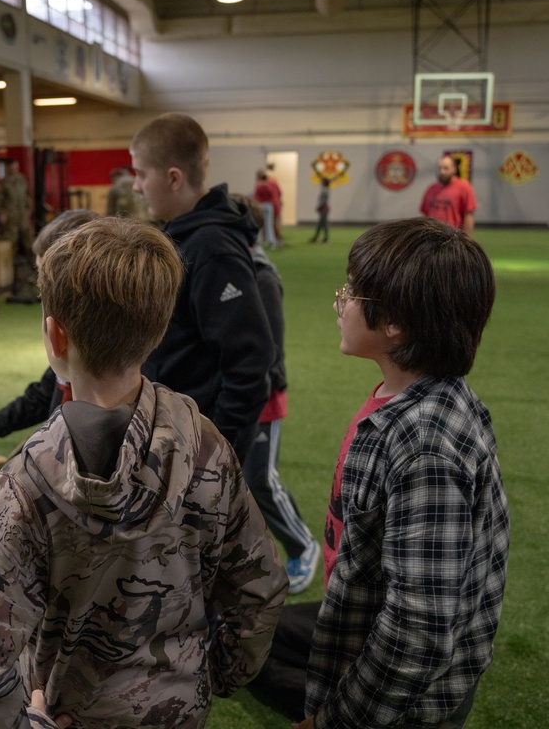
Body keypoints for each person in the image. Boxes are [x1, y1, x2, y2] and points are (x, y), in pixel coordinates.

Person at [0, 217, 288, 729]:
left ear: (54, 335)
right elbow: (260, 590)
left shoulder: (22, 484)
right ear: (159, 328)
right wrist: (207, 678)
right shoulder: (206, 445)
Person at [295, 217, 510, 729]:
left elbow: (418, 631)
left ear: (393, 322)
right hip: (359, 620)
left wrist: (336, 721)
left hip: (406, 702)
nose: (339, 302)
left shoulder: (425, 448)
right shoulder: (416, 398)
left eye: (351, 291)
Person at [131, 112, 275, 464]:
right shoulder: (185, 237)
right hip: (171, 435)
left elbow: (250, 363)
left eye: (140, 174)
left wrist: (215, 452)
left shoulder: (212, 247)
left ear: (174, 178)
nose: (136, 186)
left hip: (196, 451)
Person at [0, 209, 99, 474]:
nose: (41, 293)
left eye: (46, 282)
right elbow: (45, 393)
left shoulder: (102, 385)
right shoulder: (70, 362)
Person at [231, 193, 320, 595]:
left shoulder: (261, 276)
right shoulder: (229, 272)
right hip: (235, 396)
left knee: (260, 479)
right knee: (237, 484)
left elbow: (270, 349)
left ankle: (303, 545)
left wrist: (265, 388)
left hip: (264, 399)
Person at [0, 158, 36, 298]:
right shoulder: (3, 183)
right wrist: (1, 213)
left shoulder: (22, 180)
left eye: (16, 166)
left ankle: (34, 273)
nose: (14, 169)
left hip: (22, 218)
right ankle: (11, 280)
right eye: (12, 167)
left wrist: (29, 209)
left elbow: (28, 195)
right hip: (11, 220)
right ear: (8, 168)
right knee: (11, 248)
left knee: (30, 245)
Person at [420, 154, 477, 235]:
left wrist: (467, 237)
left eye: (446, 168)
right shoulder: (431, 189)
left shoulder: (464, 187)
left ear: (454, 169)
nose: (442, 172)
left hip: (453, 237)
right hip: (432, 237)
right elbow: (425, 215)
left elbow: (469, 215)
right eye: (440, 168)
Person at [253, 170, 278, 249]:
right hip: (269, 205)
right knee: (269, 224)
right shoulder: (269, 185)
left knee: (259, 224)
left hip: (261, 205)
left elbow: (256, 196)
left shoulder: (258, 185)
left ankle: (258, 241)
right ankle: (271, 241)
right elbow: (272, 195)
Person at [310, 175, 330, 243]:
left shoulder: (325, 190)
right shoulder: (325, 189)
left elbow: (323, 200)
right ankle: (316, 237)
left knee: (323, 224)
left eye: (321, 181)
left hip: (324, 209)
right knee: (320, 224)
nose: (320, 182)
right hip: (323, 209)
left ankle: (325, 238)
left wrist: (319, 207)